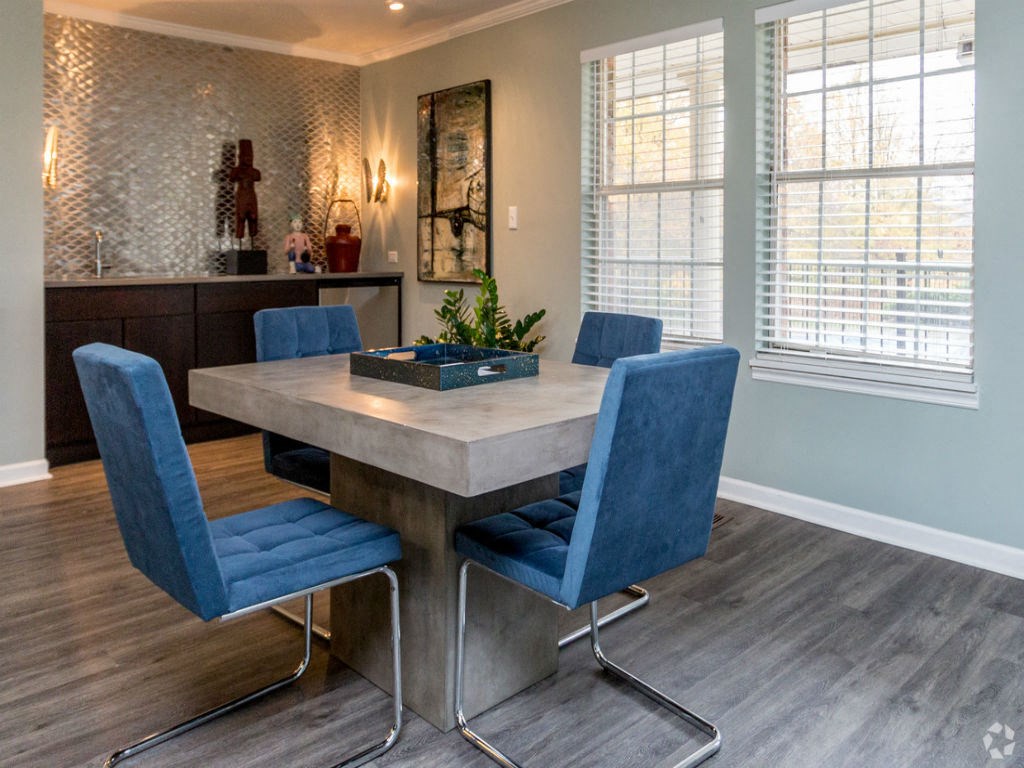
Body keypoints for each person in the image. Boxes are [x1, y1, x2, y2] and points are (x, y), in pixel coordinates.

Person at [229, 139, 261, 240]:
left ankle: (252, 234)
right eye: (246, 157)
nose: (248, 159)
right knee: (241, 217)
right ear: (240, 157)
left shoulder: (255, 172)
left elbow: (258, 177)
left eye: (250, 157)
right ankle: (239, 235)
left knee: (253, 217)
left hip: (251, 196)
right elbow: (232, 178)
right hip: (242, 196)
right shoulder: (236, 171)